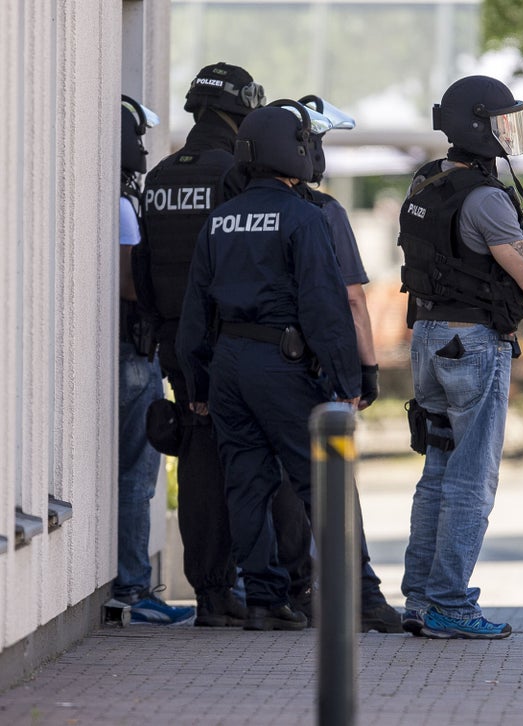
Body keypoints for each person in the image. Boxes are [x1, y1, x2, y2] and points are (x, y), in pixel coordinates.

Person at [175, 101, 362, 631]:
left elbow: (196, 311)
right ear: (292, 151)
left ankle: (263, 600)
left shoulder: (219, 220)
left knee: (246, 485)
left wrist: (197, 383)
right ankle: (357, 595)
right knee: (321, 482)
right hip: (281, 363)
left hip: (228, 365)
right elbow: (324, 308)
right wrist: (346, 380)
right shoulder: (305, 216)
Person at [397, 76, 523, 639]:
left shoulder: (426, 182)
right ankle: (450, 604)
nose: (508, 134)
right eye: (501, 123)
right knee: (472, 477)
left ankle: (419, 600)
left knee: (437, 470)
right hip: (473, 344)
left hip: (427, 336)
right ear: (478, 126)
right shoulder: (486, 199)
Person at [267, 95, 401, 633]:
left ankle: (291, 590)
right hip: (316, 369)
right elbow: (352, 300)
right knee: (331, 484)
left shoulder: (243, 207)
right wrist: (365, 371)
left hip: (253, 365)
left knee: (275, 481)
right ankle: (361, 595)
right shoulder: (324, 212)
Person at [138, 62, 264, 627]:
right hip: (228, 338)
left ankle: (211, 593)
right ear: (242, 110)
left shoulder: (161, 175)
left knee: (196, 458)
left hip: (173, 340)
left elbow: (145, 266)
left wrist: (161, 331)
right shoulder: (234, 173)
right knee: (245, 462)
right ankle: (247, 589)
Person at [115, 95, 194, 625]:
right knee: (139, 476)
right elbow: (128, 283)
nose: (144, 149)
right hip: (134, 353)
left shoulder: (123, 199)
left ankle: (129, 583)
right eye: (139, 138)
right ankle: (132, 588)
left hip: (126, 352)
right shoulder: (123, 205)